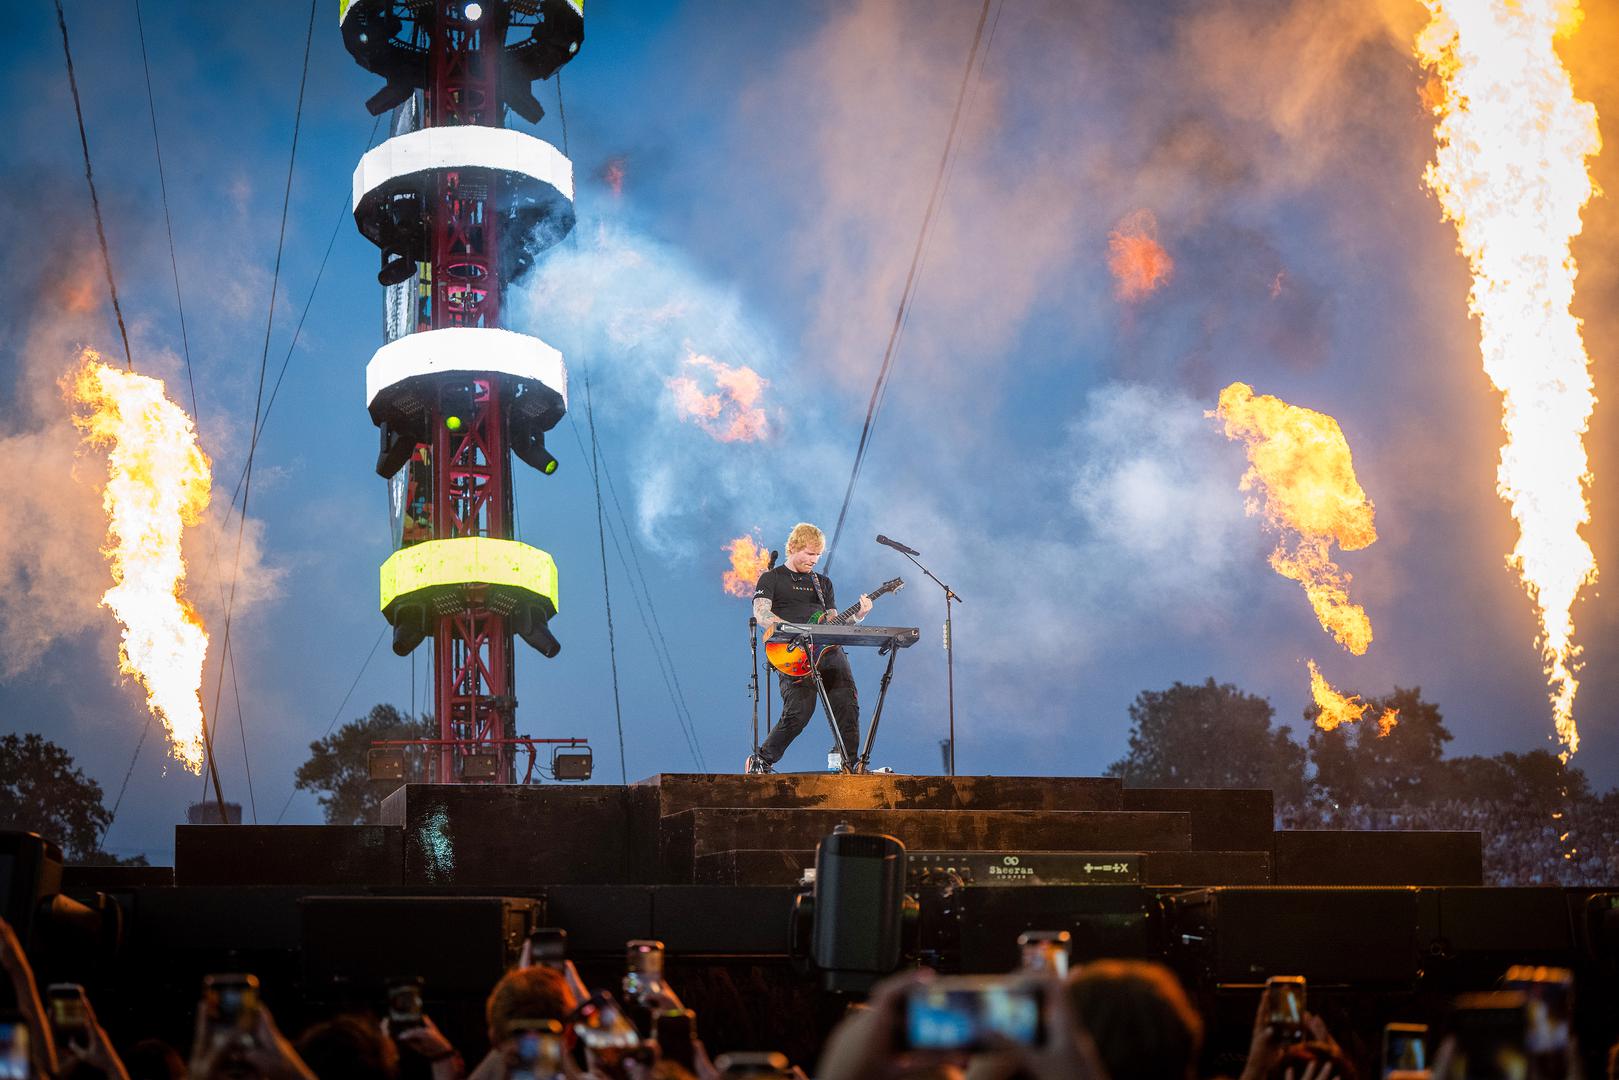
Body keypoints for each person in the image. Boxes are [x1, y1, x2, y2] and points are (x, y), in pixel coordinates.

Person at [749, 523, 871, 773]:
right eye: (809, 553)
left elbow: (834, 621)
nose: (814, 560)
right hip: (791, 650)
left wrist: (858, 616)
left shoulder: (822, 583)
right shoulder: (771, 578)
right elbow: (761, 614)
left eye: (818, 555)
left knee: (847, 705)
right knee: (799, 711)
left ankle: (850, 764)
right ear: (793, 548)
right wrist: (796, 630)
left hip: (828, 650)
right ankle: (762, 760)